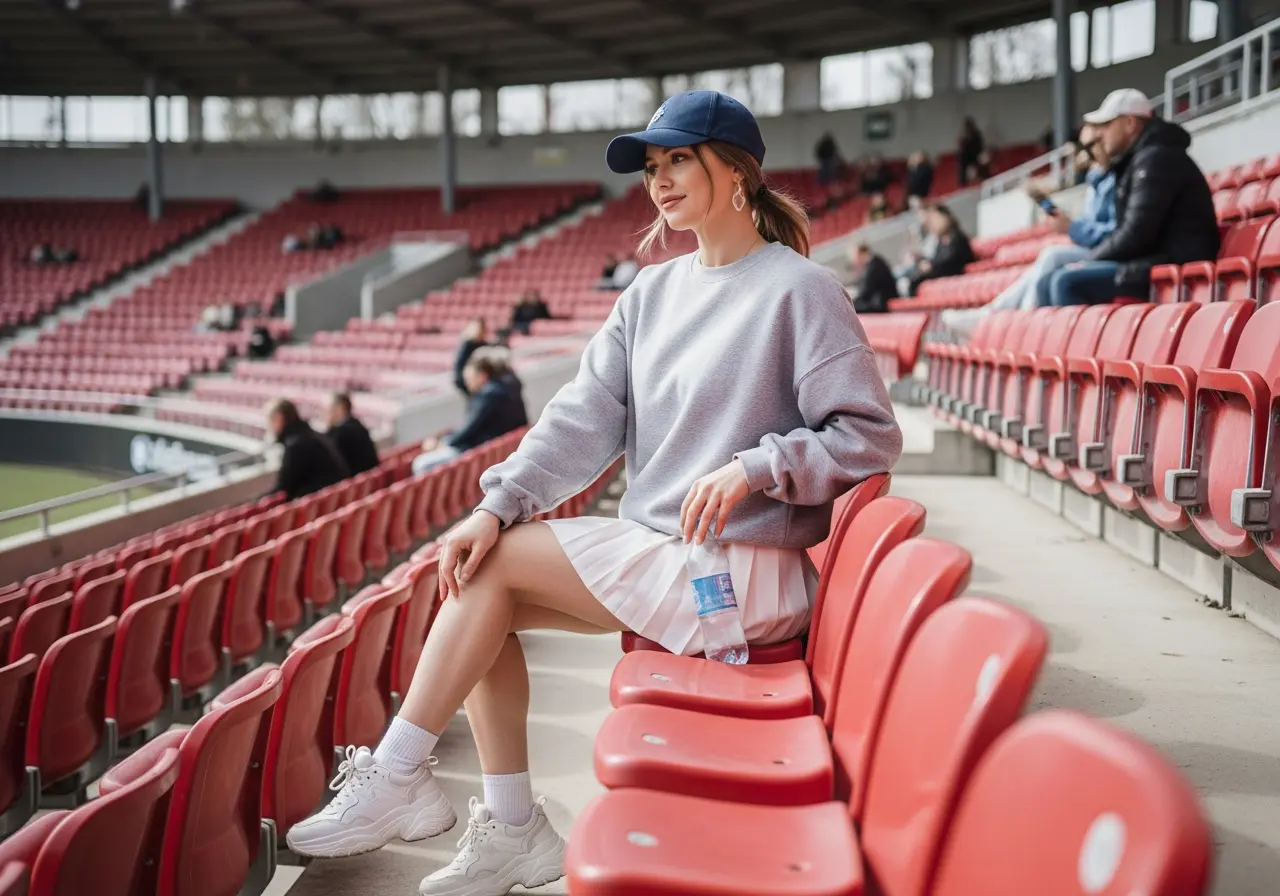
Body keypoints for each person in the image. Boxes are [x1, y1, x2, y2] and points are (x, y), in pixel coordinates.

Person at [284, 88, 902, 895]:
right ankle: (511, 831)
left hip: (743, 571)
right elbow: (579, 421)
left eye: (680, 159)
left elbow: (868, 436)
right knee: (479, 585)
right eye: (652, 167)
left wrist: (756, 466)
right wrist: (492, 503)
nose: (661, 181)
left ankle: (402, 774)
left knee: (494, 571)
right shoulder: (650, 294)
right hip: (672, 559)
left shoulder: (800, 291)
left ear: (738, 173)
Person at [1041, 89, 1219, 307]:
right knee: (1050, 279)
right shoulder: (1138, 160)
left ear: (1130, 124)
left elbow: (1136, 234)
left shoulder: (1156, 159)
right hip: (1153, 259)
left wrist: (1089, 260)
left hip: (1173, 264)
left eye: (1106, 126)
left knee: (1066, 281)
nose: (1099, 135)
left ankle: (1088, 342)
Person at [942, 123, 1117, 332]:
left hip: (1108, 253)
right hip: (1091, 248)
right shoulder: (1096, 180)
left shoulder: (1117, 179)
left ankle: (1019, 323)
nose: (1085, 154)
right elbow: (1091, 226)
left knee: (1052, 257)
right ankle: (994, 314)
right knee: (1045, 263)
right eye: (1084, 147)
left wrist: (1072, 227)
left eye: (1091, 146)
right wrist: (1069, 225)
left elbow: (1115, 234)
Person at [410, 348, 529, 476]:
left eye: (470, 377)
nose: (467, 382)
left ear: (482, 376)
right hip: (492, 453)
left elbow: (469, 430)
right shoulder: (507, 388)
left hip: (479, 454)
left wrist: (443, 443)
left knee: (422, 463)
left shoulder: (488, 395)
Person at [267, 398, 348, 501]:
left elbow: (283, 489)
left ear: (279, 418)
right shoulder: (311, 435)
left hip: (322, 504)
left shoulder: (296, 444)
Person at [901, 203, 974, 297]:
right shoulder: (941, 240)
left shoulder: (956, 236)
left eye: (936, 219)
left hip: (959, 274)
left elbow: (952, 260)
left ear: (945, 217)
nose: (934, 224)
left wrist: (931, 265)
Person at [326, 392, 380, 476]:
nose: (326, 414)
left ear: (339, 409)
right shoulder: (357, 425)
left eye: (329, 410)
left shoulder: (340, 433)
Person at [848, 243, 897, 315]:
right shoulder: (873, 263)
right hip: (878, 301)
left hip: (881, 304)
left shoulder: (874, 265)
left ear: (860, 253)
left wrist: (853, 300)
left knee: (850, 308)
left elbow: (865, 292)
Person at [454, 317, 490, 395]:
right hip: (470, 380)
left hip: (481, 380)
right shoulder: (467, 345)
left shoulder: (484, 344)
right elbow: (460, 366)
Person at [957, 117, 985, 187]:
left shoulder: (976, 134)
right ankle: (963, 183)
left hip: (976, 155)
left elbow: (979, 146)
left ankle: (983, 178)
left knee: (983, 160)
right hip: (967, 157)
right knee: (962, 159)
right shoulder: (965, 136)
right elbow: (962, 148)